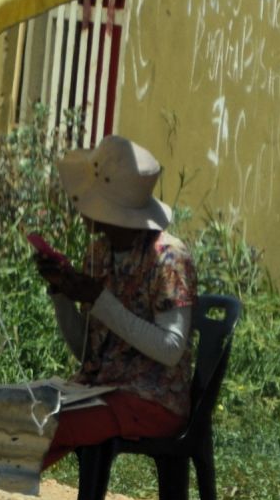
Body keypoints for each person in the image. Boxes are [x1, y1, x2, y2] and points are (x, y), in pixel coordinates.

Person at [34, 135, 197, 469]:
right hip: (100, 389)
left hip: (152, 400)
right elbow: (87, 352)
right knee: (19, 413)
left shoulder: (168, 259)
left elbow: (171, 348)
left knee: (43, 427)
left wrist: (99, 300)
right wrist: (62, 294)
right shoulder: (100, 253)